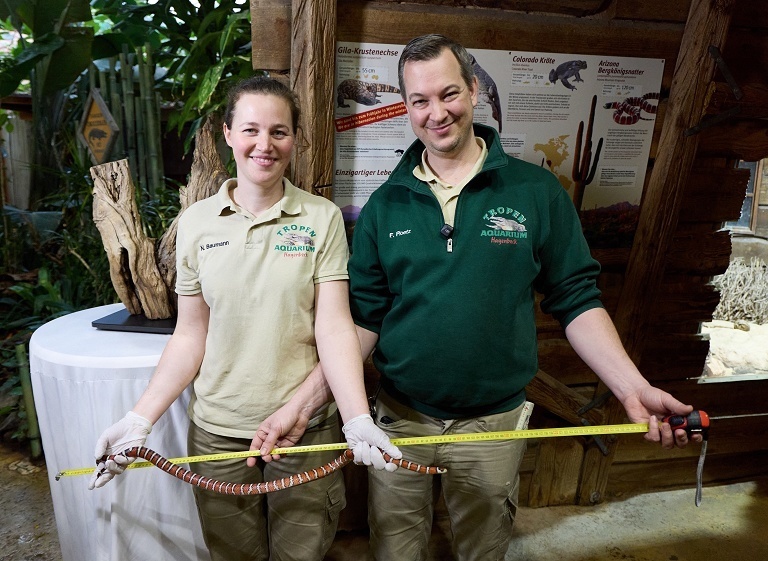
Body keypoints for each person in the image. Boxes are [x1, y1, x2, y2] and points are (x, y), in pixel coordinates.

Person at [346, 34, 703, 561]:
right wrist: (321, 408)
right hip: (402, 418)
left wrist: (633, 389)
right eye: (420, 101)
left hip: (492, 423)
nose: (436, 113)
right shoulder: (385, 204)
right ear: (406, 107)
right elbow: (363, 319)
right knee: (395, 550)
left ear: (473, 89)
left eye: (449, 94)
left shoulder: (534, 192)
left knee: (484, 548)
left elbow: (577, 299)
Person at [88, 76, 400, 561]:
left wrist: (357, 417)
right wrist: (138, 419)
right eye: (251, 129)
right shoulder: (195, 224)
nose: (265, 144)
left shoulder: (321, 218)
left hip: (305, 430)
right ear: (228, 134)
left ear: (295, 139)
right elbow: (191, 335)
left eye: (279, 131)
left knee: (303, 553)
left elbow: (335, 326)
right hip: (218, 432)